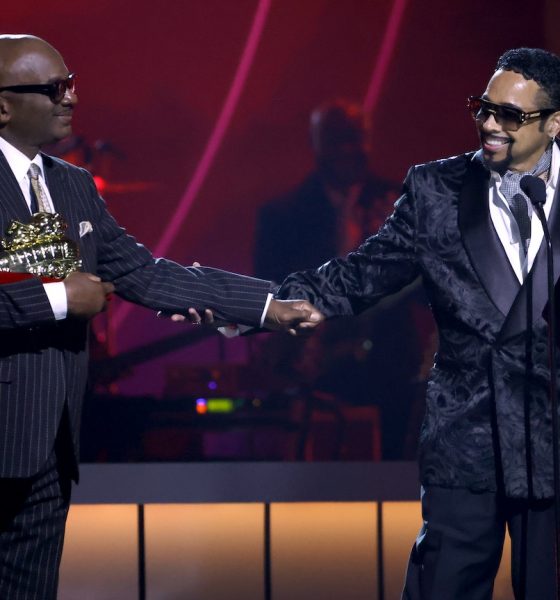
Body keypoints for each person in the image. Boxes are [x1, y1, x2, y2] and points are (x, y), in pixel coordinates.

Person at [0, 34, 320, 599]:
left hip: (49, 444)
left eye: (71, 83)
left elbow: (145, 274)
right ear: (3, 104)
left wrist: (268, 306)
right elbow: (53, 296)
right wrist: (56, 299)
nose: (71, 98)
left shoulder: (68, 184)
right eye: (54, 89)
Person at [272, 47, 560, 598]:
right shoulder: (437, 190)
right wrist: (261, 305)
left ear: (553, 123)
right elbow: (358, 277)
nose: (490, 124)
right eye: (484, 107)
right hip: (465, 444)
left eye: (511, 115)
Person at [253, 100, 432, 458]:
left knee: (393, 483)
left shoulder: (400, 204)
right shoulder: (282, 216)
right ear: (317, 144)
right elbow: (269, 299)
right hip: (315, 374)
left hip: (391, 372)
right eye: (338, 139)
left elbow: (428, 290)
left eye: (356, 138)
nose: (349, 149)